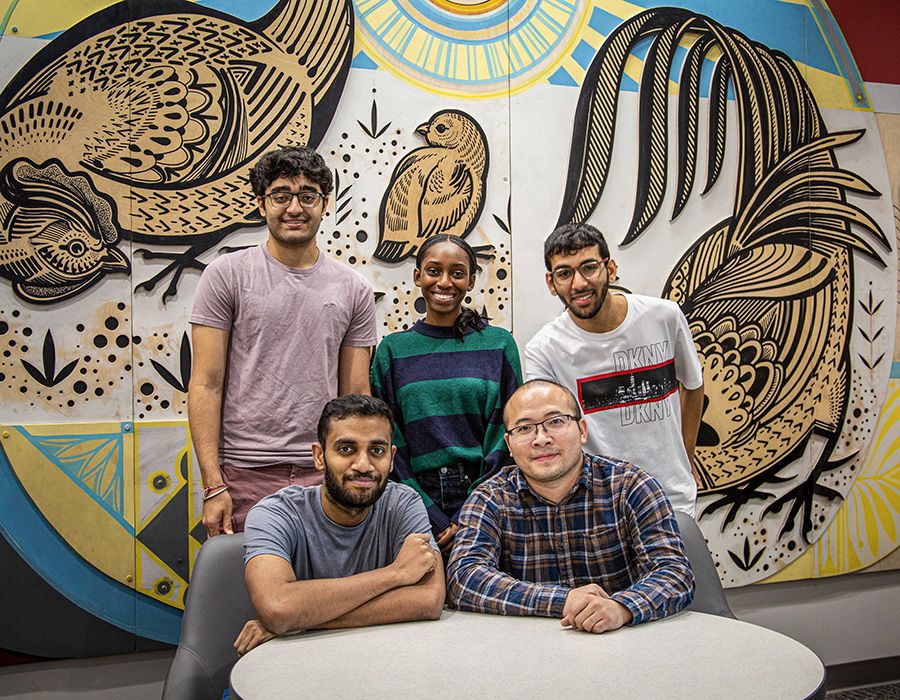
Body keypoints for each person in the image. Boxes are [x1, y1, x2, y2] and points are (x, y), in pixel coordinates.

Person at [189, 146, 376, 536]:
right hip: (243, 474)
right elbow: (206, 384)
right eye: (281, 196)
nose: (295, 208)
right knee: (246, 577)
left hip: (326, 471)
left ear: (325, 203)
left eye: (307, 196)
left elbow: (356, 394)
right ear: (261, 204)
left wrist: (354, 472)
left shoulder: (354, 288)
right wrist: (213, 484)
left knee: (329, 576)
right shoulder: (226, 275)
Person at [446, 380, 694, 634]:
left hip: (623, 639)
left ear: (582, 430)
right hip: (529, 647)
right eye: (524, 428)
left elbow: (674, 573)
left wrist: (621, 607)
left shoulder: (631, 487)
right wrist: (563, 600)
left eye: (555, 421)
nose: (541, 439)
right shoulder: (489, 499)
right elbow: (463, 578)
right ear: (509, 445)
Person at [234, 394, 445, 654]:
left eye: (377, 451)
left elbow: (429, 599)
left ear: (391, 458)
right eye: (346, 449)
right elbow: (277, 606)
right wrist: (396, 574)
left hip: (384, 657)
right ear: (319, 456)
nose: (363, 465)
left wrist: (299, 620)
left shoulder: (404, 503)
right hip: (298, 661)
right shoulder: (275, 513)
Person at [525, 223, 704, 515]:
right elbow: (550, 432)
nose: (579, 283)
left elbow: (693, 385)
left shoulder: (664, 317)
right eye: (564, 273)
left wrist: (687, 458)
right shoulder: (543, 349)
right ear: (551, 282)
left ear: (610, 269)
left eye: (589, 268)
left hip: (672, 497)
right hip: (598, 508)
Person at [370, 234, 522, 555]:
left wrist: (472, 510)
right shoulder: (392, 351)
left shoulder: (498, 344)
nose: (444, 282)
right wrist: (432, 515)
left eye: (457, 273)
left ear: (471, 281)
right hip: (411, 499)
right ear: (417, 276)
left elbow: (507, 433)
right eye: (433, 270)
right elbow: (387, 440)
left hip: (487, 494)